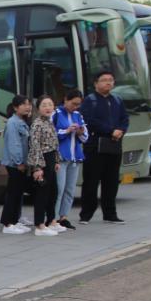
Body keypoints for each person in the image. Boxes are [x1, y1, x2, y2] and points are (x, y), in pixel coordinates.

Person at [79, 71, 129, 224]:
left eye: (111, 80)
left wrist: (121, 131)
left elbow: (125, 119)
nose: (108, 82)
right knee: (91, 181)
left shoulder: (117, 100)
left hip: (114, 145)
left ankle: (110, 214)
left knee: (112, 181)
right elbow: (88, 120)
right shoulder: (90, 100)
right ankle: (86, 214)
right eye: (104, 80)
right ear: (96, 83)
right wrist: (110, 130)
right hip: (94, 146)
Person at [28, 95, 65, 235]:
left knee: (53, 191)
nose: (48, 107)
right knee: (42, 193)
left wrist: (56, 160)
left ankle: (51, 220)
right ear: (38, 108)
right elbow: (35, 146)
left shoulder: (50, 122)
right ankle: (39, 225)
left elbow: (54, 143)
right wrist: (37, 167)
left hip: (50, 159)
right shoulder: (37, 124)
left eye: (50, 104)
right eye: (44, 105)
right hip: (42, 159)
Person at [53, 89, 88, 229]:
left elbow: (85, 138)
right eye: (73, 103)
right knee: (59, 189)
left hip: (75, 157)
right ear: (66, 100)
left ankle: (64, 217)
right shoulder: (56, 113)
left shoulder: (78, 115)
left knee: (70, 189)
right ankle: (53, 218)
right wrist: (67, 130)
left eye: (78, 104)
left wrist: (80, 131)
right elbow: (51, 135)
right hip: (60, 157)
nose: (76, 107)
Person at [0, 96, 32, 235]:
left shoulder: (21, 121)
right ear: (15, 107)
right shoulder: (13, 122)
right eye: (24, 104)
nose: (27, 107)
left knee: (18, 193)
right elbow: (14, 144)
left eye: (28, 104)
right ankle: (7, 223)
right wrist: (19, 162)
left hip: (20, 163)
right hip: (15, 164)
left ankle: (14, 220)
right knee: (13, 193)